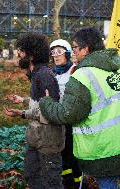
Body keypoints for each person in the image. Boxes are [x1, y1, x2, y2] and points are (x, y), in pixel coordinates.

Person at [39, 27, 120, 189]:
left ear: (86, 49)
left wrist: (45, 102)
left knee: (108, 184)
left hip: (105, 148)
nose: (73, 52)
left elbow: (67, 114)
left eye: (76, 48)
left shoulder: (82, 76)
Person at [4, 32, 65, 189]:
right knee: (32, 175)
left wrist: (22, 113)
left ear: (31, 55)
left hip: (48, 142)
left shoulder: (44, 76)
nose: (19, 54)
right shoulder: (36, 74)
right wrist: (23, 100)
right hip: (36, 140)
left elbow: (50, 111)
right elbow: (40, 103)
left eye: (21, 51)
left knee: (51, 183)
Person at [50, 39, 83, 189]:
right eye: (53, 53)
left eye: (59, 52)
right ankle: (66, 183)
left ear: (68, 54)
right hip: (57, 121)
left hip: (72, 122)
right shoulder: (51, 74)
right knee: (61, 156)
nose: (56, 56)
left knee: (73, 156)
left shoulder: (75, 70)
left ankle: (78, 184)